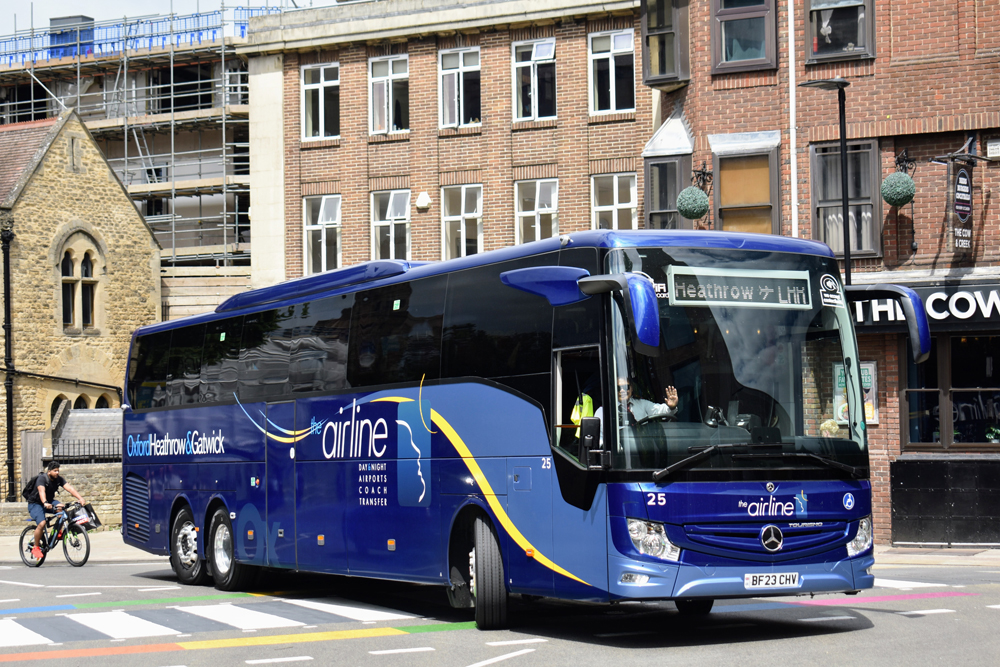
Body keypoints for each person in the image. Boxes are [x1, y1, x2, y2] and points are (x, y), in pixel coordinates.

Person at [25, 461, 86, 560]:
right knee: (42, 523)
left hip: (49, 502)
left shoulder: (58, 479)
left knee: (62, 509)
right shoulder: (42, 479)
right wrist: (45, 502)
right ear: (49, 471)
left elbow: (70, 489)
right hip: (35, 504)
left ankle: (58, 532)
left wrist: (80, 498)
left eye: (58, 470)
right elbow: (41, 491)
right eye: (55, 471)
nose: (57, 472)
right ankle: (36, 547)